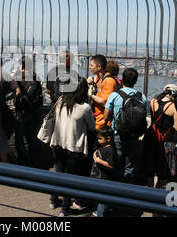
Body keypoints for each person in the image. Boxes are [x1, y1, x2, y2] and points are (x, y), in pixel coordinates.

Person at [48, 77, 95, 217]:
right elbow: (92, 127)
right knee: (70, 180)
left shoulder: (60, 102)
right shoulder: (85, 108)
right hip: (74, 147)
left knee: (58, 174)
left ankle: (53, 199)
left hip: (58, 143)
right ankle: (65, 208)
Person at [103, 68, 148, 184]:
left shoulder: (115, 95)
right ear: (136, 80)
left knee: (118, 163)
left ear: (122, 79)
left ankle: (116, 190)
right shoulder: (141, 96)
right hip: (134, 135)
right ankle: (128, 191)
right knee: (130, 165)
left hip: (118, 134)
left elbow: (106, 115)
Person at [141, 84, 177, 189]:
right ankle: (157, 195)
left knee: (149, 169)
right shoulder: (173, 107)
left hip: (151, 137)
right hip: (166, 141)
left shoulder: (153, 102)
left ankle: (148, 193)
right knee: (163, 173)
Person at [11, 56, 43, 167]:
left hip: (21, 112)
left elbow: (13, 92)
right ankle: (34, 162)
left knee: (19, 140)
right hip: (33, 112)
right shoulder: (35, 77)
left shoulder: (18, 77)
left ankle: (23, 161)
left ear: (21, 66)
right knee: (32, 139)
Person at [88, 54, 118, 130]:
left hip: (102, 122)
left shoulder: (108, 81)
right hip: (97, 119)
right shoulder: (100, 78)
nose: (89, 67)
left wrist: (91, 95)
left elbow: (105, 102)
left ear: (99, 67)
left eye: (91, 65)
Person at [90, 126, 115, 217]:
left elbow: (111, 165)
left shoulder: (110, 150)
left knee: (102, 200)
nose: (98, 141)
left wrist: (98, 161)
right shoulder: (102, 147)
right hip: (98, 178)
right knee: (101, 199)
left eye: (100, 139)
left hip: (104, 179)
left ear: (108, 139)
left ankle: (101, 214)